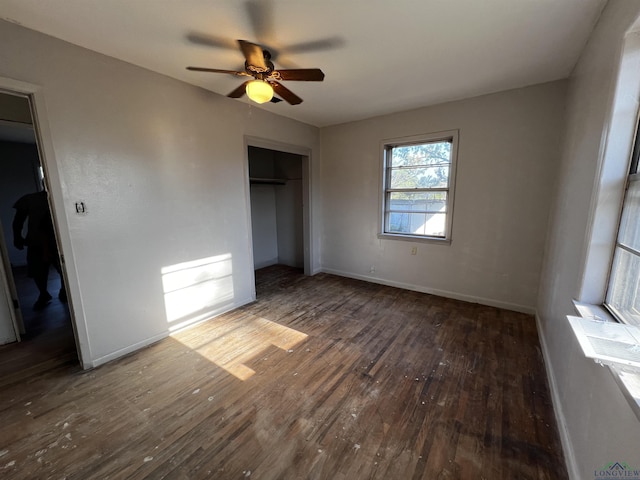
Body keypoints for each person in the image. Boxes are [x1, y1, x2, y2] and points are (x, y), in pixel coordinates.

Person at [12, 185, 66, 310]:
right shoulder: (31, 199)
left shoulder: (60, 197)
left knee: (62, 267)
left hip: (56, 241)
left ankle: (63, 290)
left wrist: (18, 237)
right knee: (38, 269)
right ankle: (44, 293)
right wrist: (17, 237)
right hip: (37, 241)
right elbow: (18, 220)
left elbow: (18, 220)